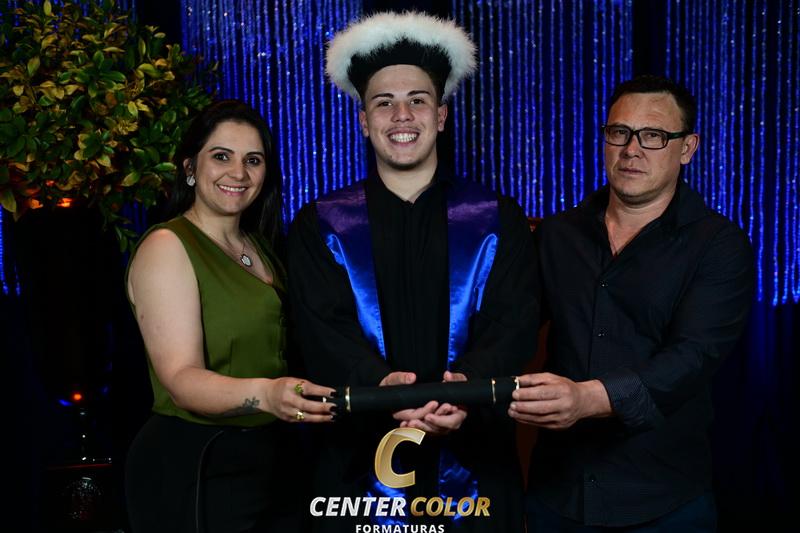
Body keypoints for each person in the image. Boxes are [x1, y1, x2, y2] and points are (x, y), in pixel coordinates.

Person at [287, 11, 539, 533]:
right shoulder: (323, 224)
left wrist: (465, 387)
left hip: (474, 460)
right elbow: (319, 329)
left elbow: (515, 322)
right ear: (364, 120)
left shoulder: (496, 217)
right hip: (358, 467)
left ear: (441, 116)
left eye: (417, 100)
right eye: (384, 102)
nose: (401, 115)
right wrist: (382, 387)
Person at [509, 75, 755, 531]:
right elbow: (511, 328)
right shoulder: (559, 234)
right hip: (557, 494)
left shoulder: (719, 246)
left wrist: (587, 398)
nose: (631, 149)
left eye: (654, 135)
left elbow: (692, 358)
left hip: (663, 500)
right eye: (619, 132)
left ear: (687, 147)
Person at [124, 99, 336, 533]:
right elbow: (181, 379)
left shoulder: (260, 247)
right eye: (221, 156)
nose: (238, 173)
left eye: (252, 160)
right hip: (199, 462)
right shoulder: (167, 246)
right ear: (190, 167)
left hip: (270, 456)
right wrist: (268, 394)